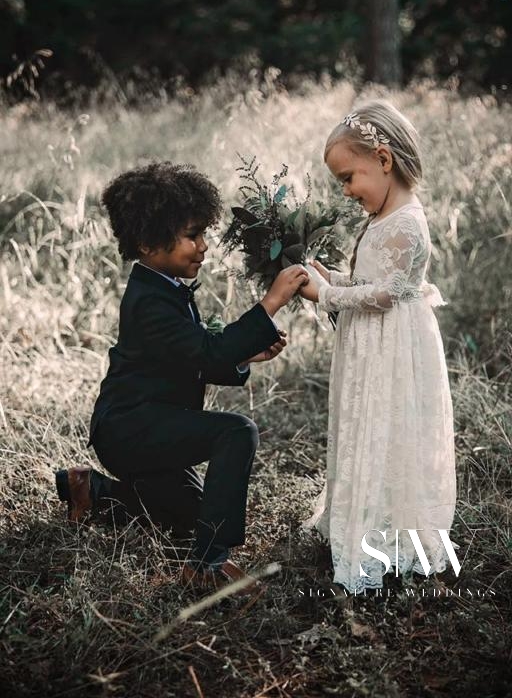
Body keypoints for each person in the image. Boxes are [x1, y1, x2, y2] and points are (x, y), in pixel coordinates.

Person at [55, 161, 308, 594]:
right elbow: (205, 351)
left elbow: (196, 358)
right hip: (129, 428)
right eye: (193, 235)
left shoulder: (164, 287)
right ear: (149, 242)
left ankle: (92, 490)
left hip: (143, 426)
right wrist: (269, 304)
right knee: (236, 432)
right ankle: (207, 565)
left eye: (203, 234)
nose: (204, 246)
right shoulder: (150, 302)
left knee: (194, 516)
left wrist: (247, 355)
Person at [299, 99, 457, 593]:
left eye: (349, 177)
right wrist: (333, 277)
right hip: (370, 342)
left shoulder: (408, 222)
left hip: (394, 348)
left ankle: (390, 530)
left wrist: (326, 294)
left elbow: (387, 294)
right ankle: (361, 512)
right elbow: (370, 279)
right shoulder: (383, 215)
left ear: (383, 160)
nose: (346, 191)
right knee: (365, 422)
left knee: (390, 427)